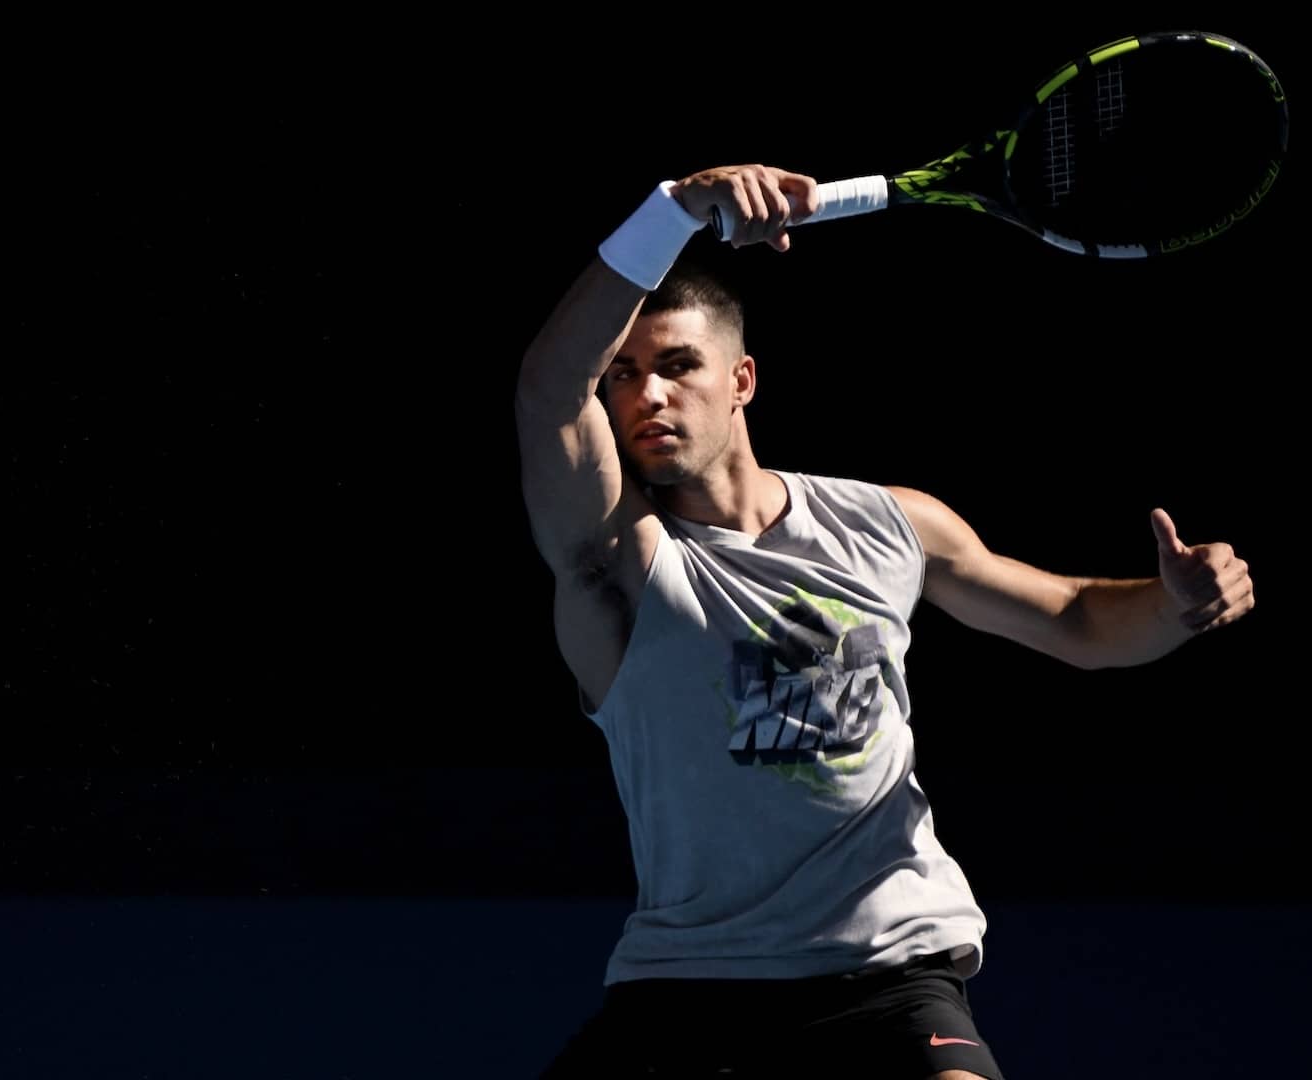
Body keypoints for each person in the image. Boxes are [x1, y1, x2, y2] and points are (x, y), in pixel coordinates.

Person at [515, 164, 1255, 1079]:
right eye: (623, 375)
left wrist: (1174, 608)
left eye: (677, 366)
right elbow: (551, 392)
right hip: (687, 991)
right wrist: (671, 212)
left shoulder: (888, 525)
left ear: (742, 379)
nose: (649, 396)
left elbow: (1073, 618)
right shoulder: (616, 564)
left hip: (887, 975)